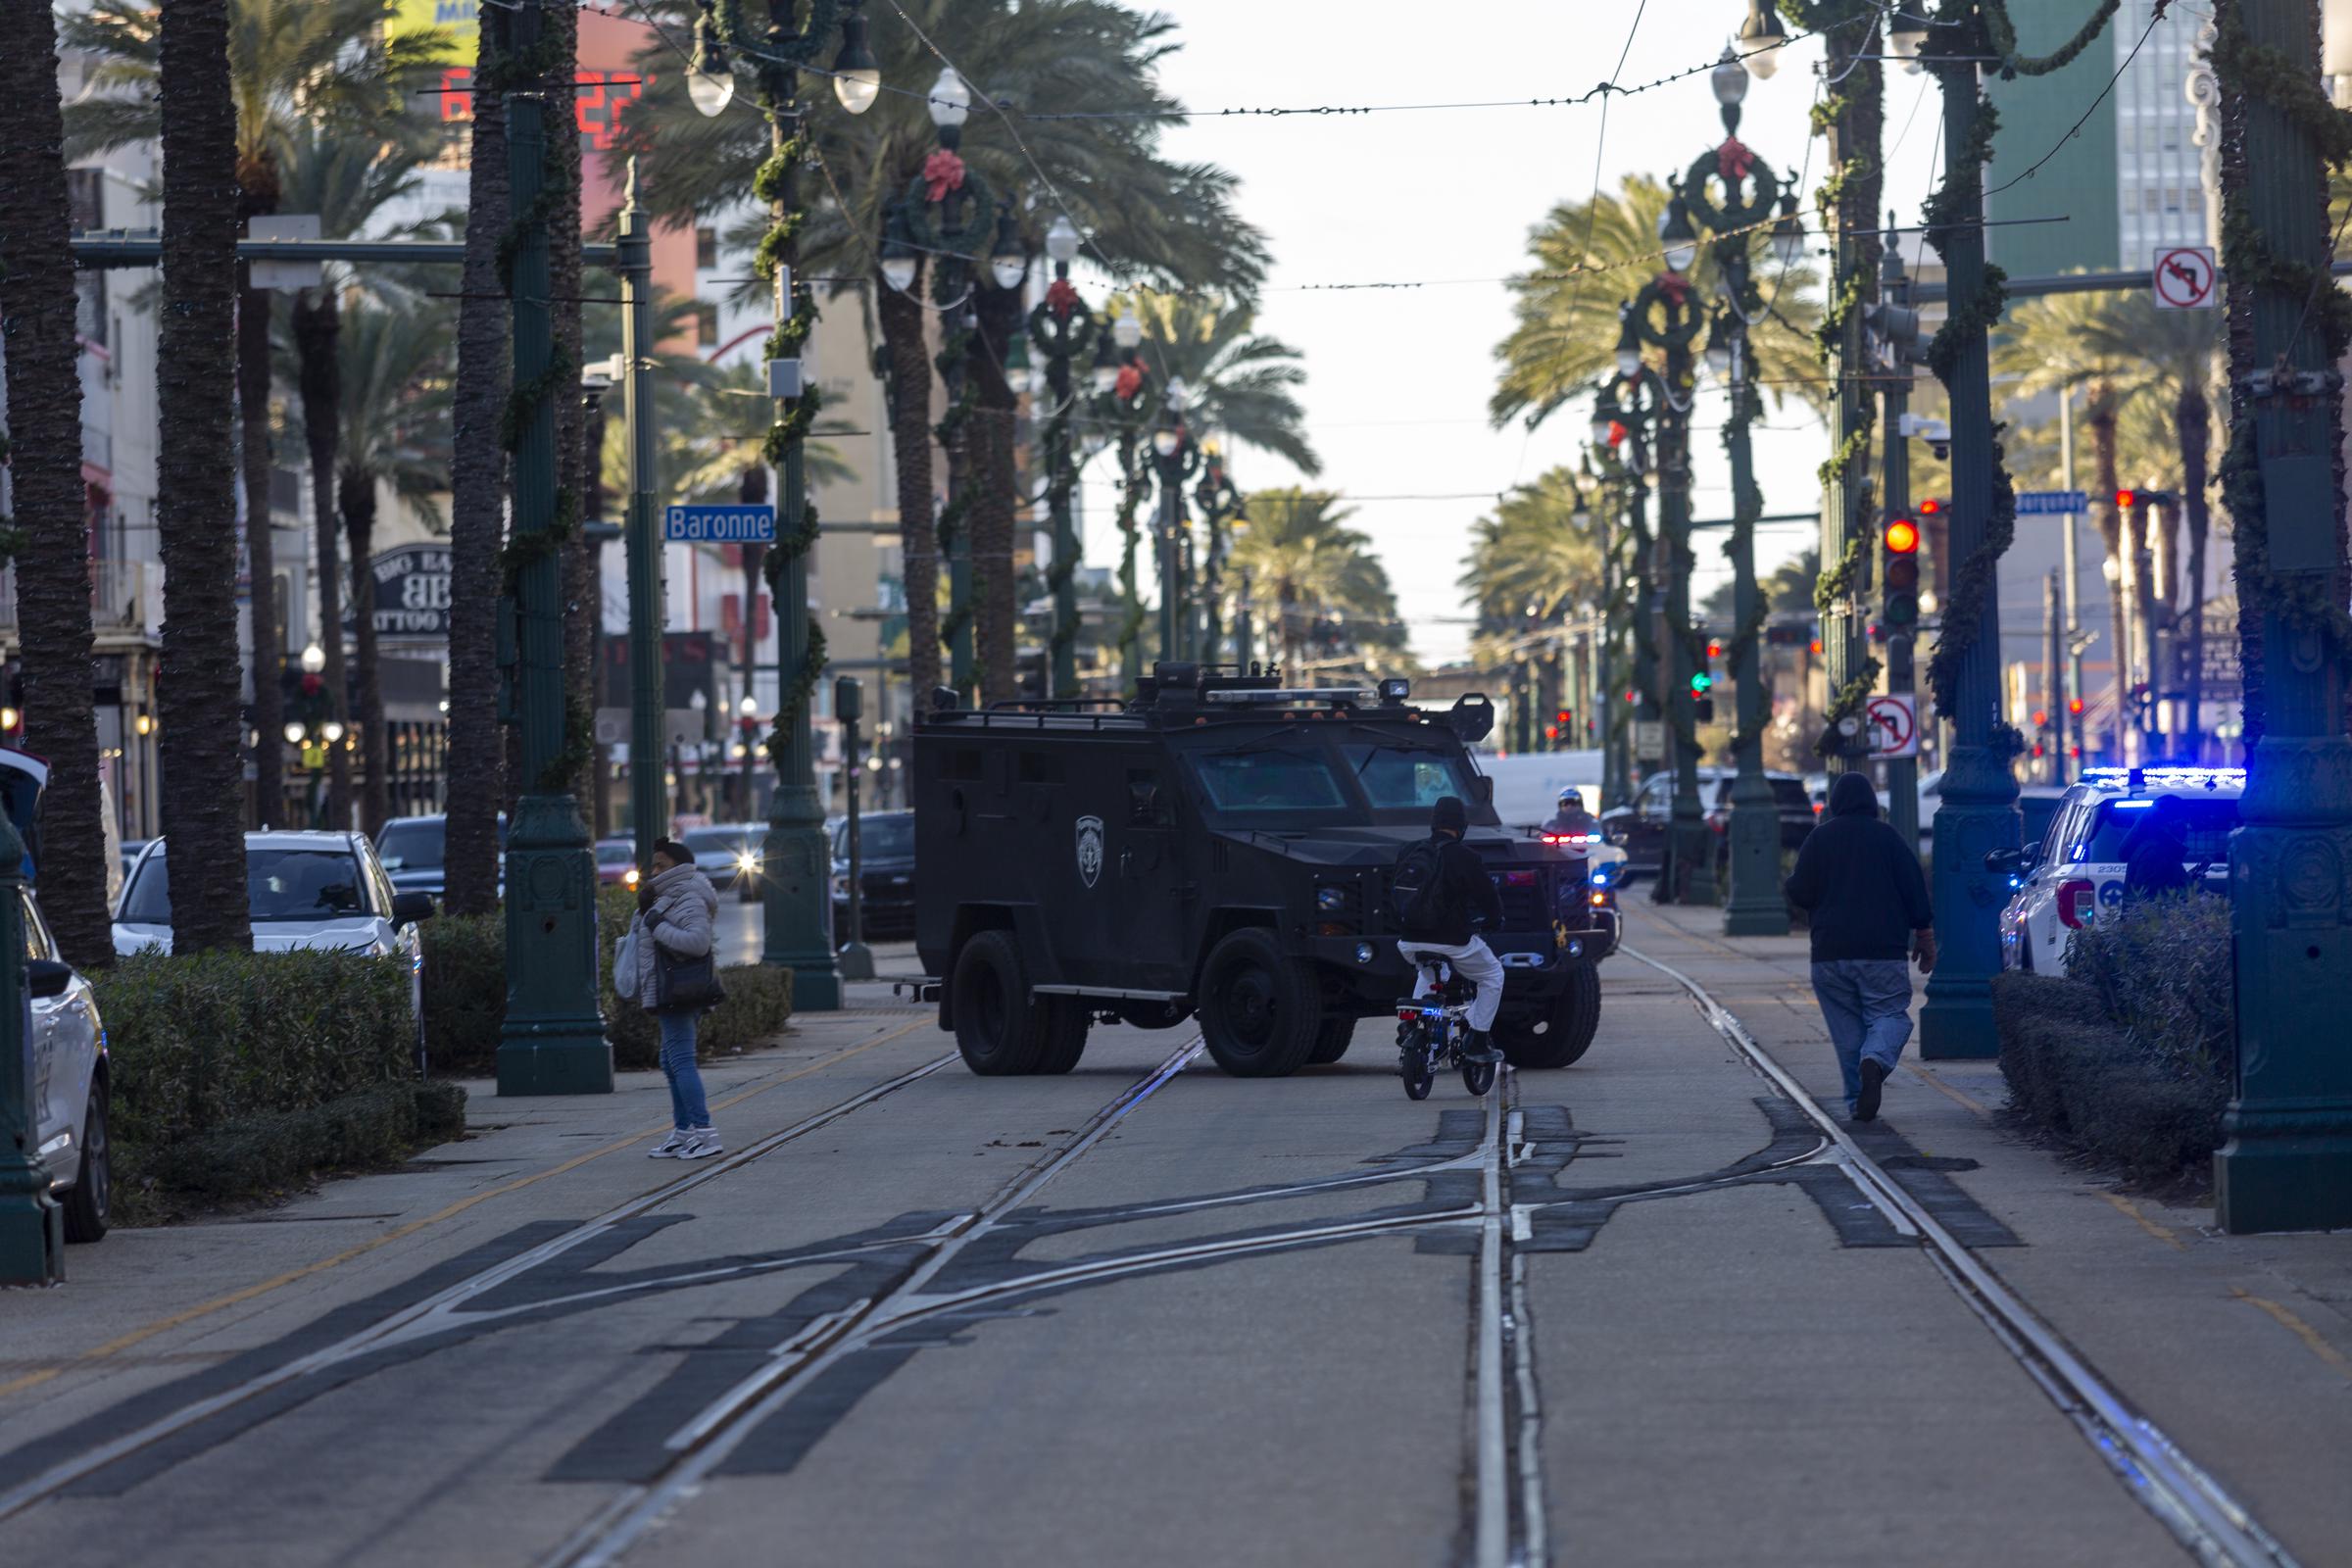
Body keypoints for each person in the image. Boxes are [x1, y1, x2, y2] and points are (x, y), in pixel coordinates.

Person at [1783, 772, 1935, 1122]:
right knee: (1889, 1015)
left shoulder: (1819, 839)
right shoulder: (1889, 839)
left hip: (1830, 955)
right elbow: (1914, 889)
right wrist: (1924, 937)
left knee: (1847, 1032)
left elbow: (1798, 891)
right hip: (1882, 952)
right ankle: (1876, 1062)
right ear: (1871, 803)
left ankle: (1857, 1101)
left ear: (1835, 803)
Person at [627, 837, 722, 1158]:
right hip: (671, 987)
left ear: (678, 867)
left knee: (680, 1060)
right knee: (670, 1061)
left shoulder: (688, 896)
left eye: (660, 865)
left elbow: (698, 942)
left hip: (679, 989)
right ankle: (684, 1133)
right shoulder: (665, 895)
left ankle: (705, 1134)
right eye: (652, 864)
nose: (653, 870)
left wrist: (655, 925)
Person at [1395, 795, 1507, 1064]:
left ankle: (1412, 1023)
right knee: (1492, 975)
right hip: (1452, 941)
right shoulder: (1465, 856)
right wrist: (1494, 920)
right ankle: (1478, 1040)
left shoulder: (1408, 851)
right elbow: (1487, 898)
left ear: (1433, 823)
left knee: (1433, 970)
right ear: (1461, 826)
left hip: (1409, 942)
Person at [2120, 795, 2193, 906]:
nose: (2188, 827)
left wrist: (2185, 880)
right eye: (2184, 821)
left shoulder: (2161, 849)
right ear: (2171, 822)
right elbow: (2150, 902)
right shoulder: (2155, 853)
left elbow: (2164, 884)